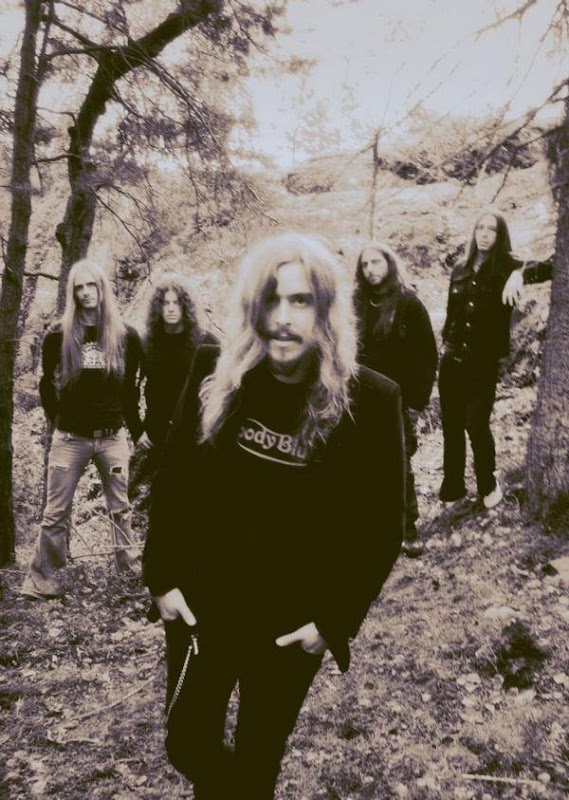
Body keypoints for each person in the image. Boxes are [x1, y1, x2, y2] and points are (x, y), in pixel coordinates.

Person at [143, 232, 405, 800]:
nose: (283, 318)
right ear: (252, 307)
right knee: (186, 743)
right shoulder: (215, 373)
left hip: (290, 623)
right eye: (271, 299)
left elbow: (384, 526)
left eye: (300, 300)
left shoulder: (372, 401)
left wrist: (333, 621)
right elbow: (175, 476)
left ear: (326, 311)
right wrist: (160, 576)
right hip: (203, 606)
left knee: (259, 759)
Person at [21, 259, 143, 600]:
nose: (87, 293)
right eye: (80, 287)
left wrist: (138, 431)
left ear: (102, 288)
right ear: (72, 293)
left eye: (92, 285)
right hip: (70, 439)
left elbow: (131, 391)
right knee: (55, 512)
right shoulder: (58, 335)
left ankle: (130, 577)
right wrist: (59, 420)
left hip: (112, 438)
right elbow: (46, 384)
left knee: (120, 509)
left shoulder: (126, 336)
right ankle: (43, 583)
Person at [438, 208, 553, 508]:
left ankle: (487, 484)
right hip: (451, 359)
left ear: (500, 235)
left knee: (476, 424)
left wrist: (519, 273)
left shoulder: (507, 265)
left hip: (483, 363)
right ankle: (453, 488)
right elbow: (451, 314)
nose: (485, 234)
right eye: (481, 228)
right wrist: (444, 345)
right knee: (451, 426)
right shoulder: (460, 268)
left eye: (492, 229)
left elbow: (551, 267)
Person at [354, 242, 437, 556]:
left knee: (399, 463)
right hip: (359, 398)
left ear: (389, 263)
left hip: (395, 399)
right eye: (365, 264)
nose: (370, 270)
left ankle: (407, 529)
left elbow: (427, 355)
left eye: (376, 262)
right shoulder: (355, 302)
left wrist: (417, 401)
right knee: (362, 464)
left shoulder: (407, 303)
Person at [138, 274, 218, 454]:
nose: (171, 308)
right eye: (165, 303)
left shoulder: (206, 342)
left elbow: (223, 388)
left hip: (193, 435)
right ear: (158, 307)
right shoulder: (147, 343)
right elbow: (129, 387)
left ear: (186, 307)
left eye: (177, 303)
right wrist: (137, 430)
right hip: (155, 434)